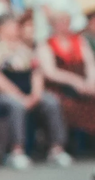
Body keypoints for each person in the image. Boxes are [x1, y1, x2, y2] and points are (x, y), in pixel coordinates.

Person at [0, 15, 71, 169]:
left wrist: (36, 94)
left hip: (29, 92)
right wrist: (19, 96)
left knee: (51, 101)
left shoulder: (24, 47)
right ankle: (17, 151)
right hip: (3, 94)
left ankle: (57, 149)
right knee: (16, 105)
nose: (15, 28)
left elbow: (36, 72)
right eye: (10, 25)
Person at [38, 10, 95, 141]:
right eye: (61, 22)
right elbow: (50, 72)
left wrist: (90, 82)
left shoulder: (79, 41)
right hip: (60, 88)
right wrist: (75, 81)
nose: (65, 25)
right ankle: (59, 144)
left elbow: (90, 64)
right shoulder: (46, 44)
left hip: (83, 85)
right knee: (60, 104)